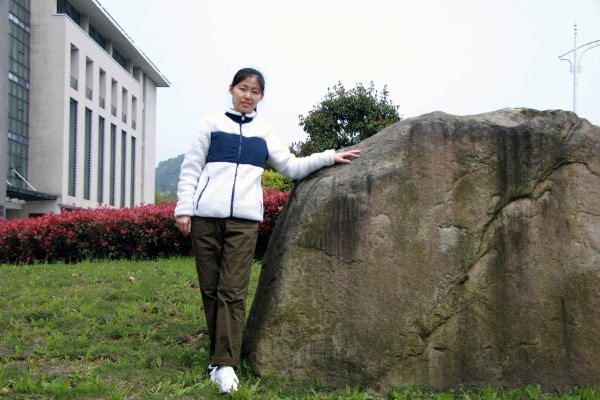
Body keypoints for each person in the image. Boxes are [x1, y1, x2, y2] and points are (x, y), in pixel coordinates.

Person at [174, 67, 360, 394]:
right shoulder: (210, 124)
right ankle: (219, 358)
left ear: (261, 96)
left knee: (232, 291)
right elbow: (191, 168)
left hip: (244, 222)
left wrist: (329, 157)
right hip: (205, 218)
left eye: (255, 91)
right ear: (231, 89)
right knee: (211, 289)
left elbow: (291, 166)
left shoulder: (264, 132)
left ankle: (226, 365)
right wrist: (184, 208)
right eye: (243, 88)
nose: (247, 95)